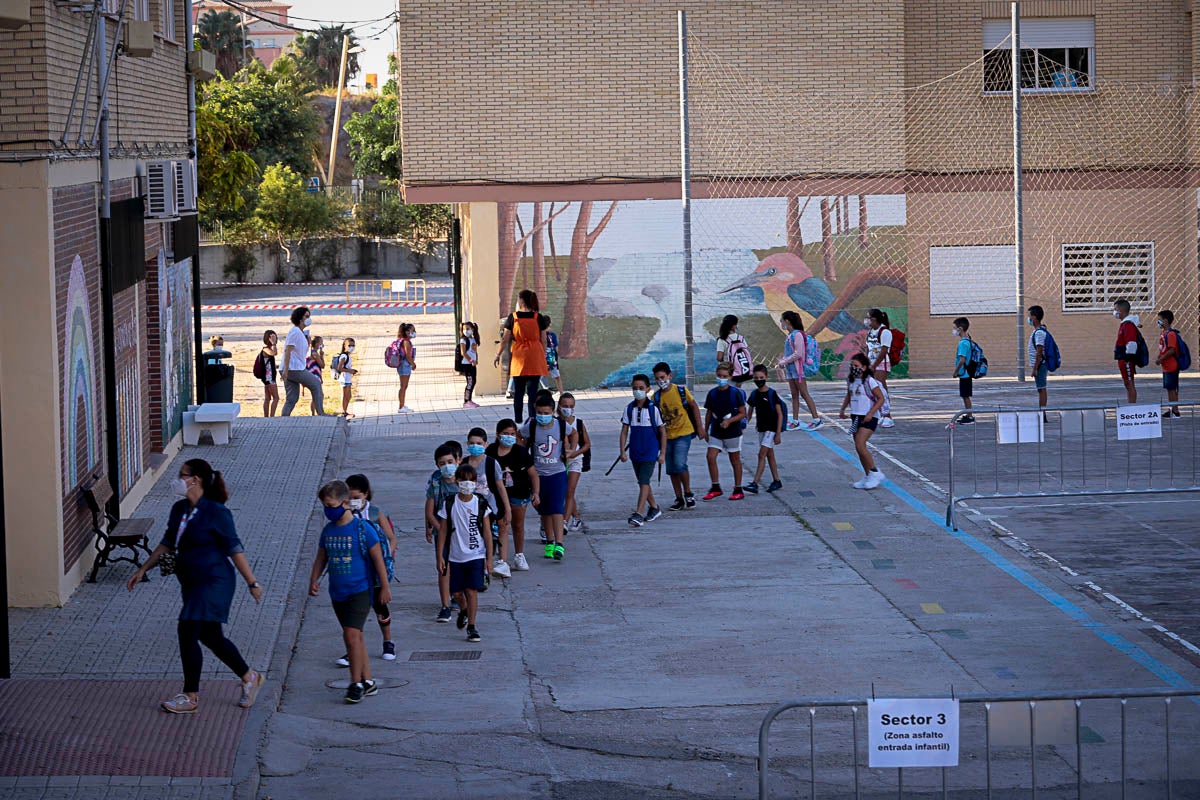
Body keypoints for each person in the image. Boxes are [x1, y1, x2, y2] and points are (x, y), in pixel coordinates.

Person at [126, 459, 265, 715]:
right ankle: (249, 676)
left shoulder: (217, 512)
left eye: (182, 475)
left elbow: (234, 547)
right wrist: (144, 568)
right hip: (190, 581)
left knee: (187, 629)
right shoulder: (179, 509)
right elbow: (168, 542)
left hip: (214, 581)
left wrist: (252, 582)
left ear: (196, 479)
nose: (177, 479)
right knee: (211, 636)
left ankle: (190, 696)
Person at [310, 480, 391, 704]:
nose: (328, 510)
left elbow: (378, 560)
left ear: (345, 503)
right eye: (325, 506)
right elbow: (321, 557)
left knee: (351, 635)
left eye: (331, 504)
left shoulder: (362, 529)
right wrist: (313, 580)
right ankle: (368, 680)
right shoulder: (328, 530)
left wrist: (384, 587)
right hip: (338, 592)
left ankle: (355, 684)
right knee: (356, 639)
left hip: (360, 590)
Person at [334, 474, 398, 664]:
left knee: (380, 606)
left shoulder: (375, 513)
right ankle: (352, 648)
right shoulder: (343, 515)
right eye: (348, 497)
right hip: (354, 571)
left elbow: (391, 538)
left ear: (365, 495)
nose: (352, 502)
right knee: (353, 611)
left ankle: (388, 641)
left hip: (374, 570)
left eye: (356, 497)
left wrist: (386, 557)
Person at [436, 464, 493, 643]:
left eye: (471, 480)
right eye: (463, 480)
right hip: (455, 556)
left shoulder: (481, 503)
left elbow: (487, 533)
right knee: (457, 593)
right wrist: (440, 556)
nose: (467, 484)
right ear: (457, 481)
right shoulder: (450, 503)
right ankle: (464, 610)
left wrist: (489, 558)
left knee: (471, 590)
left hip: (476, 555)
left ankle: (472, 627)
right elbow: (443, 531)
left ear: (475, 482)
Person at [519, 390, 578, 560]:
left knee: (556, 509)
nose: (542, 416)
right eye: (539, 413)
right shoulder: (531, 427)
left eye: (546, 413)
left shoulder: (560, 425)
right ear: (534, 410)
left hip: (557, 473)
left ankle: (559, 543)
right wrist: (522, 453)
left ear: (553, 412)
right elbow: (519, 436)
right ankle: (549, 541)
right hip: (538, 475)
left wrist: (571, 450)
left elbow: (573, 433)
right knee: (543, 510)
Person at [652, 361, 706, 511]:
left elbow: (694, 406)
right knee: (671, 468)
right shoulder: (656, 398)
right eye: (657, 379)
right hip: (666, 437)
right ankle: (679, 497)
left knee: (680, 463)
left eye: (663, 377)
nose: (661, 381)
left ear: (670, 375)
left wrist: (700, 427)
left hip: (684, 433)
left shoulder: (680, 391)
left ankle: (688, 493)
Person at [487, 419, 539, 572]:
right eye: (505, 434)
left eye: (512, 434)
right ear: (498, 435)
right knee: (502, 526)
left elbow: (534, 475)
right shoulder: (491, 451)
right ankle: (502, 559)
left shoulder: (521, 452)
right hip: (497, 496)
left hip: (519, 494)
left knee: (517, 525)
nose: (509, 437)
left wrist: (536, 492)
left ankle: (519, 555)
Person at [464, 427, 512, 579]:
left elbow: (499, 486)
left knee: (491, 536)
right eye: (472, 443)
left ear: (485, 444)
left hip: (489, 508)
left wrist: (507, 508)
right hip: (469, 508)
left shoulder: (491, 463)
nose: (475, 446)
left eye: (479, 443)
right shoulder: (464, 464)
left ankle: (495, 563)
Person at [495, 290, 549, 424]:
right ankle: (532, 419)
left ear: (520, 300)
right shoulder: (538, 317)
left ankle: (518, 420)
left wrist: (498, 354)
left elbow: (505, 339)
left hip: (519, 357)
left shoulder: (513, 317)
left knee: (518, 393)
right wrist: (544, 355)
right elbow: (544, 340)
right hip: (535, 356)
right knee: (532, 392)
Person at [620, 374, 666, 527]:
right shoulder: (629, 409)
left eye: (641, 388)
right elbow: (624, 431)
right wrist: (622, 451)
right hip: (635, 452)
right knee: (642, 482)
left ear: (648, 389)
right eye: (635, 388)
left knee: (644, 481)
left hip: (650, 452)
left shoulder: (654, 409)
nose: (637, 391)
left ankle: (639, 513)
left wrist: (663, 453)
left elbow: (662, 431)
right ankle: (654, 508)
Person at [424, 441, 462, 622]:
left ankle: (459, 598)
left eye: (450, 462)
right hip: (443, 534)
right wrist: (437, 529)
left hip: (462, 534)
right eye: (442, 463)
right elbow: (430, 513)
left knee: (459, 568)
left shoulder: (465, 483)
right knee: (443, 568)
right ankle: (445, 605)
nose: (447, 466)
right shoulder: (436, 486)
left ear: (458, 460)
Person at [839, 353, 887, 489]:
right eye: (852, 366)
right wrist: (842, 409)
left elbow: (881, 398)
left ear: (864, 367)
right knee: (858, 448)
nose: (854, 368)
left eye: (857, 366)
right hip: (856, 416)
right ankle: (867, 476)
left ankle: (875, 472)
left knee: (861, 444)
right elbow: (849, 395)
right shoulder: (851, 380)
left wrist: (871, 413)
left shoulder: (869, 381)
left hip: (869, 417)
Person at [703, 362, 748, 501]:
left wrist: (730, 421)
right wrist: (706, 429)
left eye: (724, 376)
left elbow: (742, 413)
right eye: (719, 376)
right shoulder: (712, 393)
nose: (721, 378)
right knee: (710, 456)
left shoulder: (735, 393)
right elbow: (709, 412)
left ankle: (738, 488)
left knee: (734, 459)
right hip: (716, 430)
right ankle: (715, 487)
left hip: (732, 431)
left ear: (729, 377)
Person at [776, 311, 823, 431]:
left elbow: (799, 353)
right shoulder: (790, 336)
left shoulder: (797, 335)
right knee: (794, 395)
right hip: (791, 370)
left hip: (798, 370)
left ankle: (816, 419)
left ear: (787, 321)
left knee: (804, 393)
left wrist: (784, 361)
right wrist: (783, 362)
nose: (781, 323)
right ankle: (795, 421)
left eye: (782, 321)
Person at [744, 364, 787, 494]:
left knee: (761, 454)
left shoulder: (772, 394)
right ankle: (776, 480)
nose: (759, 380)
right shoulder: (754, 394)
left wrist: (778, 433)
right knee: (769, 455)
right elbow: (749, 412)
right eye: (756, 377)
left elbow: (780, 414)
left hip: (771, 429)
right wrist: (743, 424)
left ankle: (755, 483)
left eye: (761, 377)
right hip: (761, 429)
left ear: (766, 377)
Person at [281, 306, 326, 416]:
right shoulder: (295, 332)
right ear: (300, 318)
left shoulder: (301, 333)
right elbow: (288, 350)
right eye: (306, 316)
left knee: (292, 398)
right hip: (294, 368)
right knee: (316, 384)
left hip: (294, 367)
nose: (309, 318)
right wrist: (286, 370)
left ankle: (283, 419)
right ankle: (321, 413)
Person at [559, 392, 590, 532]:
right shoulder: (555, 422)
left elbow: (587, 444)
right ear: (559, 406)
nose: (568, 409)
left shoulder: (578, 423)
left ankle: (564, 521)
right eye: (565, 406)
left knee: (570, 490)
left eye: (571, 406)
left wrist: (575, 453)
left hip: (576, 460)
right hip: (559, 460)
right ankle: (576, 516)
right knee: (564, 491)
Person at [865, 308, 894, 427]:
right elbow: (868, 347)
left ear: (874, 319)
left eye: (868, 317)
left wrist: (874, 365)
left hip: (881, 363)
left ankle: (888, 416)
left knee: (881, 388)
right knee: (874, 389)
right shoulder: (871, 331)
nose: (866, 320)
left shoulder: (885, 332)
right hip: (871, 363)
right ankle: (882, 414)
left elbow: (884, 351)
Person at [1156, 309, 1183, 418]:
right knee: (1169, 389)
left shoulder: (1171, 334)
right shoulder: (1164, 333)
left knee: (1172, 389)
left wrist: (1161, 358)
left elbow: (1172, 350)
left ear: (1166, 321)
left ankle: (1175, 411)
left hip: (1172, 366)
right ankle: (1172, 408)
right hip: (1166, 366)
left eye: (1160, 320)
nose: (1158, 322)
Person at [1114, 299, 1141, 404]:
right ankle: (1130, 404)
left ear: (1121, 310)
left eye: (1116, 309)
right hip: (1122, 359)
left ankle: (1132, 407)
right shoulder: (1124, 324)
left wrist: (1128, 358)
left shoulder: (1128, 325)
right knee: (1127, 384)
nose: (1115, 312)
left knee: (1130, 384)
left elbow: (1131, 343)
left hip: (1126, 360)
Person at [716, 314, 753, 385]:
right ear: (734, 326)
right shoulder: (741, 338)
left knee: (728, 390)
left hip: (727, 371)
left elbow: (719, 358)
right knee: (737, 390)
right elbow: (746, 352)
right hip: (742, 370)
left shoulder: (722, 340)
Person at [1027, 305, 1050, 413]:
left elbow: (1039, 351)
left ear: (1035, 317)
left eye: (1030, 316)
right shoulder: (1038, 331)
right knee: (1040, 388)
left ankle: (1042, 412)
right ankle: (1042, 410)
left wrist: (1035, 368)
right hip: (1039, 365)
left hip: (1040, 365)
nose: (1029, 318)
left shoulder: (1039, 333)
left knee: (1042, 388)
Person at [952, 317, 975, 424]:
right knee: (965, 395)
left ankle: (969, 416)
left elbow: (962, 359)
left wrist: (956, 371)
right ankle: (968, 414)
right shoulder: (968, 340)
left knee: (965, 395)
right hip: (967, 372)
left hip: (964, 373)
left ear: (960, 329)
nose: (954, 330)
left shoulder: (963, 343)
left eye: (955, 328)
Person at [459, 321, 481, 409]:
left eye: (468, 329)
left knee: (473, 381)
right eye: (464, 329)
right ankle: (466, 401)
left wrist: (476, 360)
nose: (466, 331)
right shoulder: (463, 340)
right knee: (470, 382)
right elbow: (463, 353)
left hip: (472, 364)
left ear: (473, 329)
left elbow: (474, 351)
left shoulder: (474, 339)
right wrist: (471, 360)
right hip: (467, 364)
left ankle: (470, 400)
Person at [395, 323, 417, 413]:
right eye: (413, 331)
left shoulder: (403, 340)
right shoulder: (406, 342)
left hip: (403, 364)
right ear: (407, 332)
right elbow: (408, 356)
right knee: (403, 386)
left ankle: (402, 404)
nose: (414, 332)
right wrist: (413, 364)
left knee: (404, 386)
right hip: (405, 364)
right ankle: (401, 406)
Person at [333, 338, 357, 418]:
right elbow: (339, 368)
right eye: (349, 345)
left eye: (353, 345)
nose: (351, 347)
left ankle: (345, 411)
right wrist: (350, 371)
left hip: (347, 378)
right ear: (344, 346)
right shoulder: (344, 356)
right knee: (345, 395)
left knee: (348, 395)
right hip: (344, 378)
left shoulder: (348, 356)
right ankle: (343, 411)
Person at [258, 330, 279, 417]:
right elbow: (274, 353)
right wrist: (273, 344)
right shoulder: (266, 349)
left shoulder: (267, 349)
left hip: (268, 377)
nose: (276, 339)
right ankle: (271, 416)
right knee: (276, 398)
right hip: (269, 378)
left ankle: (266, 417)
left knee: (268, 398)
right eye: (273, 337)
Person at [305, 336, 327, 416]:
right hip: (314, 375)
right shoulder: (314, 354)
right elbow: (322, 365)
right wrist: (322, 356)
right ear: (317, 344)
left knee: (316, 395)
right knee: (318, 395)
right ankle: (317, 412)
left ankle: (315, 412)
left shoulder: (311, 352)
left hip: (314, 374)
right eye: (321, 343)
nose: (322, 345)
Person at [545, 320, 563, 394]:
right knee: (557, 377)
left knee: (537, 376)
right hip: (552, 358)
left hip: (541, 358)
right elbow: (556, 348)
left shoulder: (538, 335)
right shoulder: (552, 335)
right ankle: (561, 392)